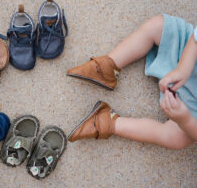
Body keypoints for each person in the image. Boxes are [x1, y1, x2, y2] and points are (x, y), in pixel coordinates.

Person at [67, 14, 197, 150]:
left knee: (176, 139)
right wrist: (183, 69)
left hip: (192, 110)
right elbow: (195, 40)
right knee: (159, 25)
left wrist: (185, 120)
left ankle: (106, 121)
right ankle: (107, 67)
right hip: (189, 60)